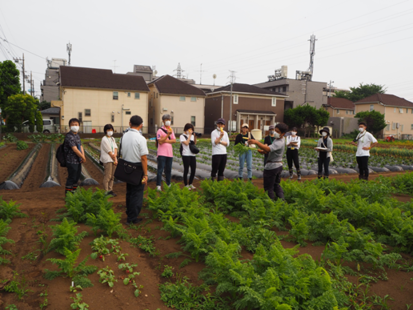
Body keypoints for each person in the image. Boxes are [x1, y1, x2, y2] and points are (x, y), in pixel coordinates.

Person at [249, 123, 288, 200]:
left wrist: (256, 142)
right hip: (278, 166)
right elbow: (271, 150)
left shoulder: (279, 142)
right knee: (276, 185)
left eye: (277, 131)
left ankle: (271, 204)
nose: (275, 132)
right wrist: (264, 152)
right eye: (275, 130)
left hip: (272, 167)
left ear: (283, 134)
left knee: (268, 187)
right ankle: (282, 201)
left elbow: (268, 149)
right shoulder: (279, 139)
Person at [121, 115, 148, 225]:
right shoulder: (140, 138)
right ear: (141, 125)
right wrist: (145, 174)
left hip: (127, 166)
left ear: (129, 123)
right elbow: (143, 157)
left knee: (130, 192)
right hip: (137, 168)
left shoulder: (124, 136)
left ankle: (129, 213)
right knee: (137, 193)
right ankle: (132, 218)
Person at [64, 118, 86, 196]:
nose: (75, 126)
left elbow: (80, 146)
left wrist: (82, 156)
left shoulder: (77, 135)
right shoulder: (69, 136)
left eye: (76, 125)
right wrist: (83, 157)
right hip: (71, 160)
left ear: (79, 126)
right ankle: (68, 195)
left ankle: (74, 192)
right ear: (69, 126)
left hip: (77, 160)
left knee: (76, 177)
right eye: (73, 125)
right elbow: (75, 149)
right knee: (72, 177)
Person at [156, 114, 176, 191]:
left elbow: (174, 140)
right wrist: (167, 135)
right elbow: (160, 142)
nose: (168, 121)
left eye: (169, 119)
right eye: (166, 119)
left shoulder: (171, 130)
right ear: (163, 121)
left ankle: (168, 184)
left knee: (168, 169)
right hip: (161, 153)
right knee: (160, 170)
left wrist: (164, 139)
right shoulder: (160, 130)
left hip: (169, 153)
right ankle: (158, 185)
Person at [100, 124, 118, 196]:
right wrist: (115, 159)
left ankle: (110, 190)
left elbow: (115, 148)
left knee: (112, 176)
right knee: (108, 175)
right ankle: (106, 191)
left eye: (111, 130)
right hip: (107, 159)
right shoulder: (104, 139)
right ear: (105, 131)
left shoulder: (112, 139)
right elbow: (109, 151)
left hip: (113, 159)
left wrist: (115, 157)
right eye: (108, 130)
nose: (110, 131)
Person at [180, 123, 197, 190]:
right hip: (186, 155)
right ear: (186, 129)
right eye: (189, 129)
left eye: (191, 129)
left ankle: (190, 183)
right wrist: (189, 135)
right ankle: (186, 185)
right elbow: (186, 143)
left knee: (193, 170)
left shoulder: (192, 136)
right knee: (186, 170)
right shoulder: (182, 136)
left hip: (192, 154)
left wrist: (195, 137)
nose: (190, 131)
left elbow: (194, 143)